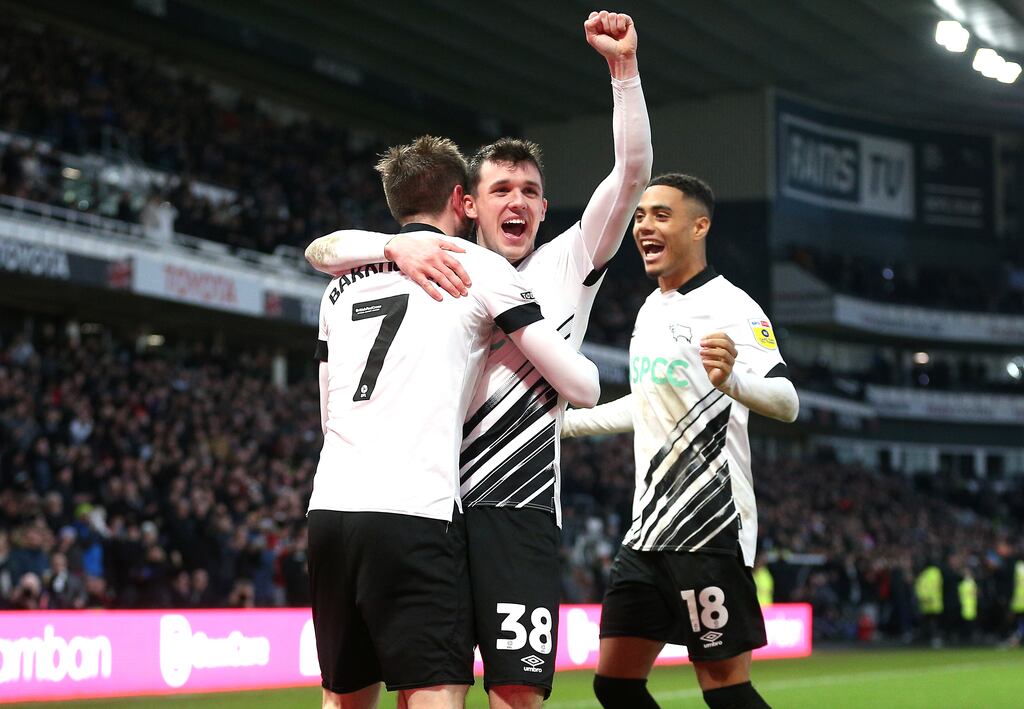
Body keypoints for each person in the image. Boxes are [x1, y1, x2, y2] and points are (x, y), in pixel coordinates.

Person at [305, 11, 651, 708]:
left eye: (529, 190)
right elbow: (325, 251)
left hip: (515, 510)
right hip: (435, 508)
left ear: (547, 207)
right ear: (470, 204)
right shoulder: (437, 268)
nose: (516, 200)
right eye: (501, 190)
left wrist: (624, 73)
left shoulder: (566, 263)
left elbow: (633, 169)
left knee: (515, 696)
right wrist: (396, 244)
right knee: (424, 684)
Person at [306, 135, 601, 709]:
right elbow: (582, 385)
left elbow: (325, 403)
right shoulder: (478, 268)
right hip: (414, 511)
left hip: (330, 509)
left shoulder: (339, 287)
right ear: (464, 200)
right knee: (435, 692)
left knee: (342, 698)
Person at [561, 174, 799, 709]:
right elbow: (645, 406)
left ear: (699, 225)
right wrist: (563, 428)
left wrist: (734, 381)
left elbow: (787, 401)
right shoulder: (650, 310)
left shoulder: (732, 306)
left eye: (660, 215)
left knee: (724, 689)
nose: (644, 225)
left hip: (709, 527)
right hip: (647, 531)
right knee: (615, 685)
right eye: (641, 215)